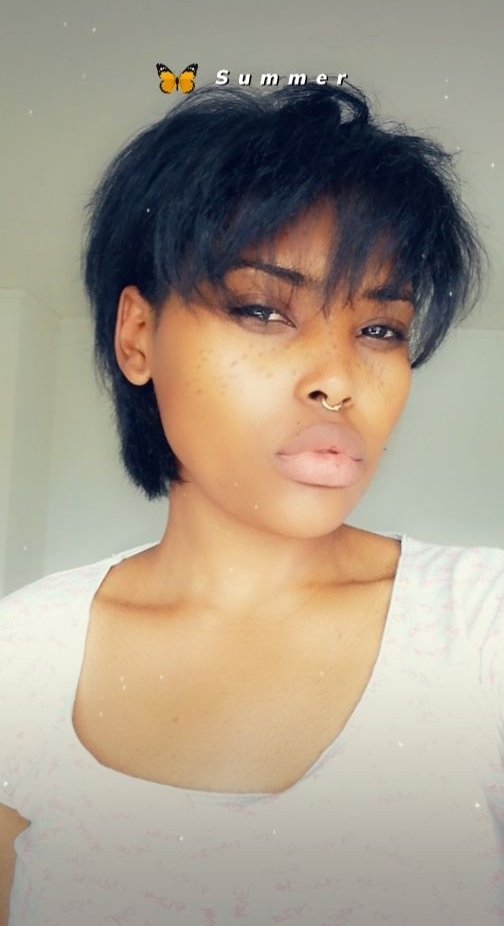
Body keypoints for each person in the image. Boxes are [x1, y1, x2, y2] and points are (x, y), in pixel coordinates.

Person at [0, 80, 502, 926]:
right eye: (264, 309)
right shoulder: (23, 652)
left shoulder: (482, 627)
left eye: (380, 328)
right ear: (137, 336)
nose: (337, 379)